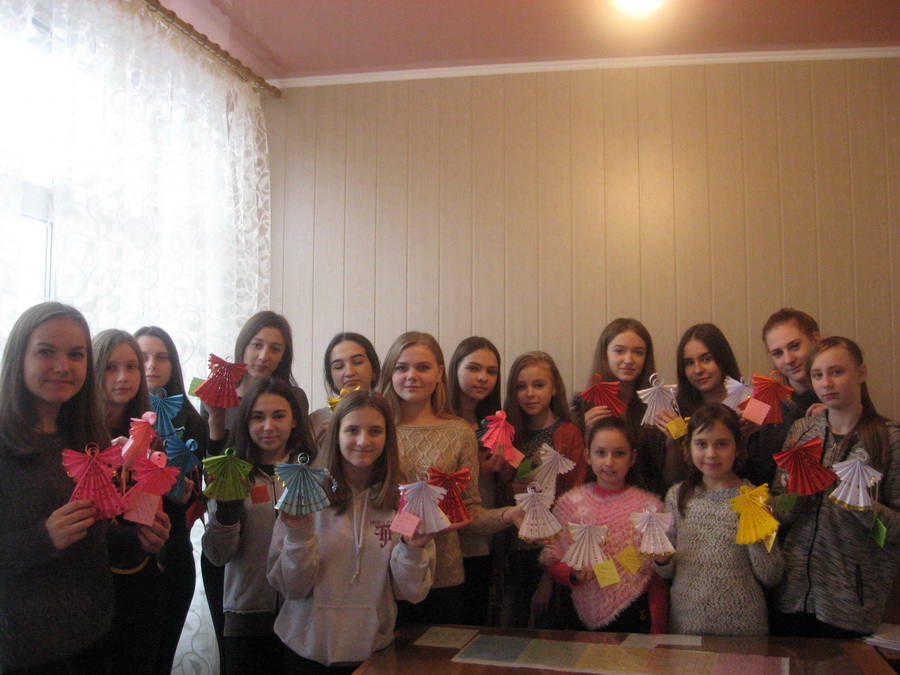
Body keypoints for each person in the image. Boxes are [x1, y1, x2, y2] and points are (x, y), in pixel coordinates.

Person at [0, 302, 167, 672]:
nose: (63, 366)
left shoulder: (87, 440)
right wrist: (43, 538)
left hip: (94, 635)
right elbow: (46, 541)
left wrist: (139, 540)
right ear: (19, 357)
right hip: (24, 648)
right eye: (46, 352)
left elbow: (92, 540)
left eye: (76, 355)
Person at [268, 390, 436, 673]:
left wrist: (413, 548)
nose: (363, 441)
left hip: (373, 653)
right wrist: (299, 535)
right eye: (352, 430)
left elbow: (411, 592)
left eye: (375, 431)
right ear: (336, 435)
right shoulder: (305, 495)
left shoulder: (401, 501)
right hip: (305, 652)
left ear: (388, 437)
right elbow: (291, 588)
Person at [377, 331, 522, 625]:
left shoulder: (458, 432)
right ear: (390, 372)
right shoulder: (377, 428)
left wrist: (509, 514)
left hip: (444, 573)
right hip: (383, 571)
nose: (412, 376)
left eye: (423, 367)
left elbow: (469, 512)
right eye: (402, 367)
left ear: (440, 373)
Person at [201, 311, 315, 670]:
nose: (265, 355)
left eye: (275, 348)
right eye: (257, 344)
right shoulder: (219, 397)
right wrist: (227, 509)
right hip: (245, 600)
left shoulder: (306, 476)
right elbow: (218, 550)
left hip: (299, 608)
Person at [772, 337, 900, 638]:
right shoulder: (801, 432)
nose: (826, 383)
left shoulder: (889, 440)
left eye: (837, 372)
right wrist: (793, 496)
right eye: (817, 375)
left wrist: (865, 508)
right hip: (790, 596)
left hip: (850, 604)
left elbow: (892, 535)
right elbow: (780, 514)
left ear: (861, 373)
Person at [654, 404, 783, 636]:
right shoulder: (677, 496)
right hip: (687, 622)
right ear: (688, 447)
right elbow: (667, 571)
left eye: (721, 444)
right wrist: (660, 559)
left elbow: (771, 575)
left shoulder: (756, 499)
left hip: (743, 626)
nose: (711, 454)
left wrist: (758, 534)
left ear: (738, 447)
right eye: (701, 444)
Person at [541, 417, 667, 633]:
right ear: (588, 456)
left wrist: (658, 628)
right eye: (601, 453)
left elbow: (656, 576)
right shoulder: (569, 504)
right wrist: (572, 572)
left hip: (634, 612)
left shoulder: (650, 508)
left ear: (632, 457)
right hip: (579, 608)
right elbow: (551, 558)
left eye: (619, 453)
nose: (609, 462)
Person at [93, 329, 172, 673]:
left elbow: (152, 515)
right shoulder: (77, 440)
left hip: (142, 586)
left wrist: (159, 533)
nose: (123, 377)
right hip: (91, 591)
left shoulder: (152, 439)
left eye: (131, 366)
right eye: (110, 367)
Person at [135, 325, 210, 674]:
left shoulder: (192, 422)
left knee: (159, 660)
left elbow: (187, 498)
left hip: (172, 551)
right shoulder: (112, 416)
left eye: (161, 357)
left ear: (173, 364)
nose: (152, 364)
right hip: (124, 556)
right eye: (143, 357)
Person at [500, 351, 586, 628]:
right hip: (515, 547)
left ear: (554, 387)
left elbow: (574, 502)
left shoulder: (568, 434)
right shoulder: (510, 434)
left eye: (538, 385)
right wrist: (509, 487)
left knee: (550, 634)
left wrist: (549, 575)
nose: (530, 394)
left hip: (552, 549)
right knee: (510, 629)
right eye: (521, 386)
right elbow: (497, 495)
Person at [447, 336, 510, 625]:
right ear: (454, 370)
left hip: (485, 535)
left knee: (476, 621)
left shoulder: (494, 421)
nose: (483, 377)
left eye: (491, 371)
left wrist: (505, 474)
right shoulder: (443, 422)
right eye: (473, 368)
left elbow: (503, 479)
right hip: (448, 537)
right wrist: (476, 471)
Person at [572, 318, 666, 496]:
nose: (629, 360)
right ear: (605, 354)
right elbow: (573, 475)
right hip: (594, 501)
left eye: (638, 352)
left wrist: (673, 442)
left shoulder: (655, 407)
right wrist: (585, 435)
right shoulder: (582, 408)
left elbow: (664, 475)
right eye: (619, 351)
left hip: (644, 502)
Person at [655, 323, 755, 485]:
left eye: (706, 359)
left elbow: (762, 475)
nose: (698, 370)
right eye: (689, 363)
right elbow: (673, 482)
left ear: (723, 358)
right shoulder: (677, 411)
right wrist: (672, 444)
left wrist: (746, 440)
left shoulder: (749, 407)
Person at [745, 309, 821, 486]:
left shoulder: (840, 395)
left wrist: (838, 415)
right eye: (777, 353)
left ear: (815, 340)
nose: (788, 359)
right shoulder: (763, 404)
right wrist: (741, 441)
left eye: (795, 346)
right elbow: (754, 474)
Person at [308, 332, 381, 454]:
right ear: (331, 378)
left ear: (374, 370)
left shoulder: (391, 413)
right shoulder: (315, 421)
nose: (349, 372)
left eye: (357, 362)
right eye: (338, 366)